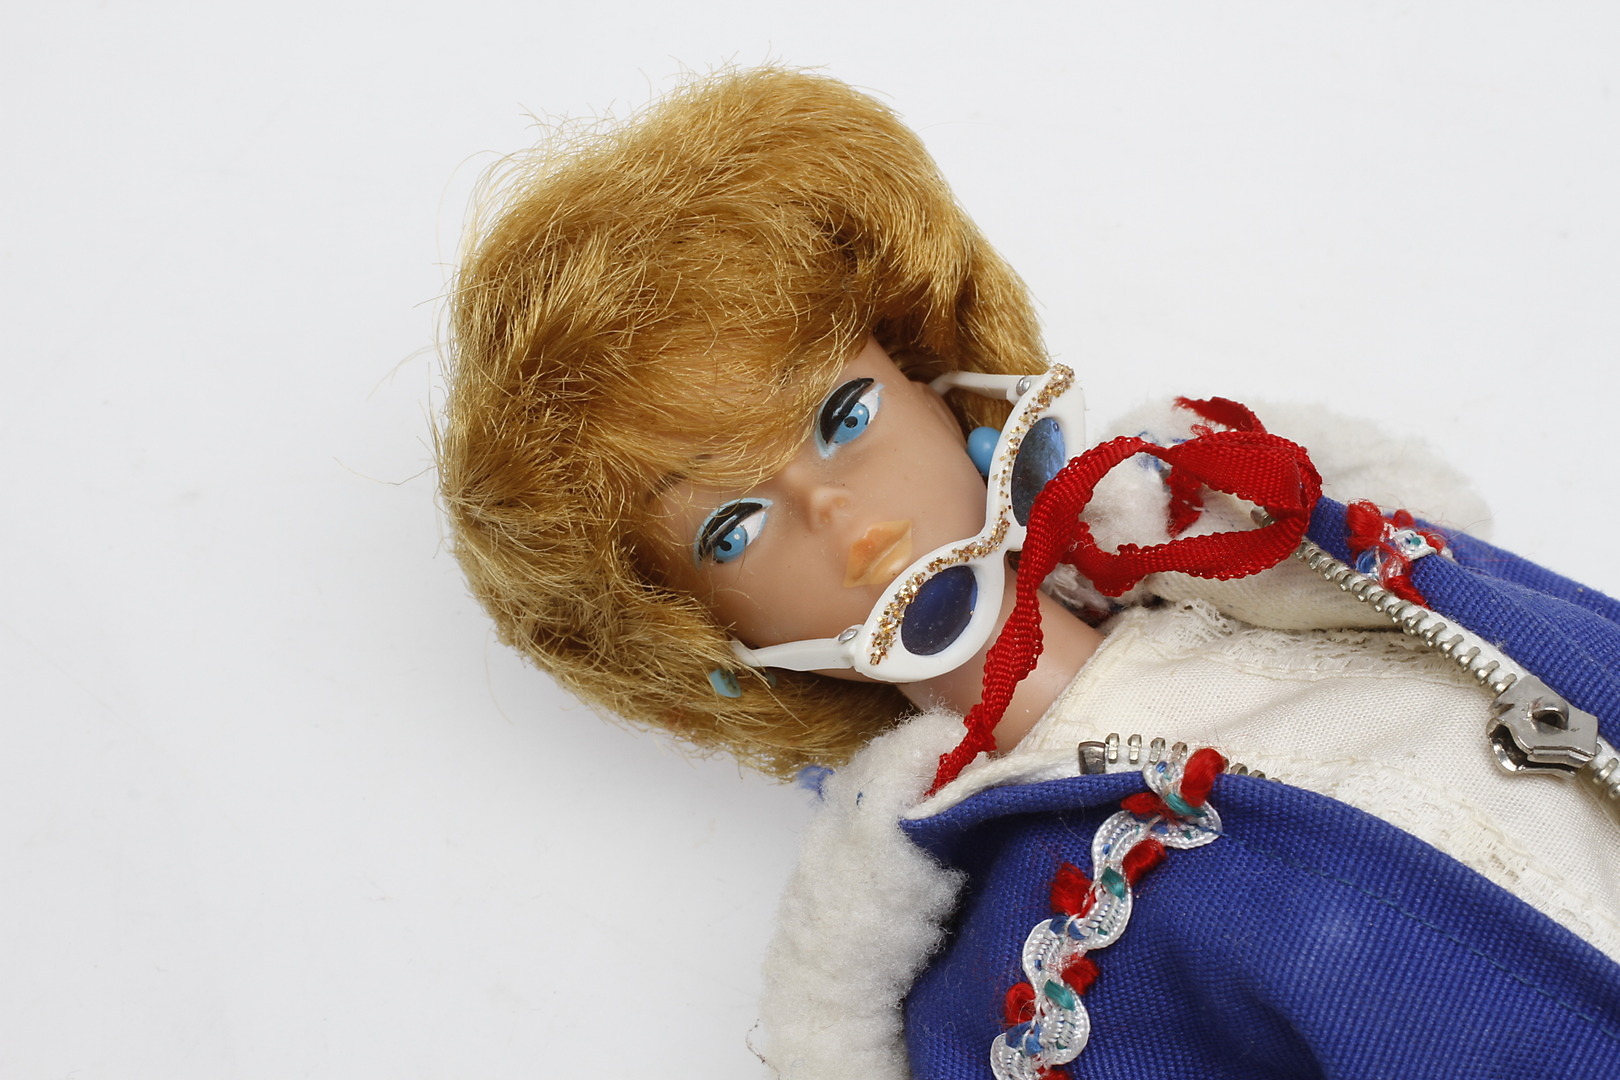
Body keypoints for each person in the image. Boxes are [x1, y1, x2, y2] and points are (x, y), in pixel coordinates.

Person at [440, 67, 1620, 1077]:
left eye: (845, 415)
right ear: (699, 630)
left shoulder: (1294, 544)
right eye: (734, 530)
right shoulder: (1017, 989)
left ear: (936, 385)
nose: (834, 513)